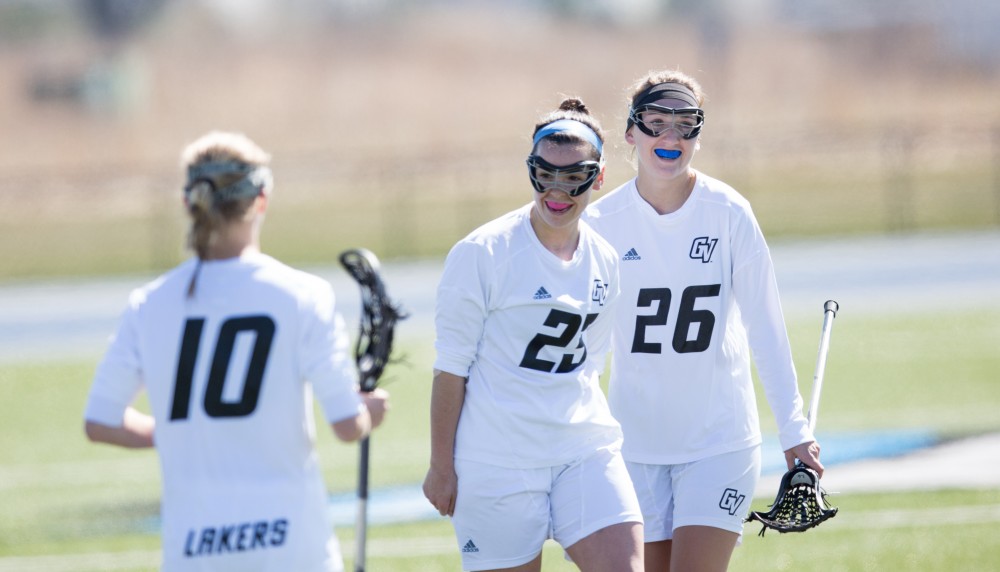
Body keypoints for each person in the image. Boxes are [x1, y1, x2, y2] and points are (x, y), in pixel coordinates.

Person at [83, 131, 389, 572]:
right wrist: (369, 414)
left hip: (192, 551)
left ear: (190, 203)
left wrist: (174, 430)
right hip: (291, 547)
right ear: (261, 199)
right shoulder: (303, 295)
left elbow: (101, 421)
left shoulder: (148, 304)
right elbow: (346, 425)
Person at [584, 70, 824, 571]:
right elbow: (588, 351)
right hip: (634, 447)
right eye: (655, 124)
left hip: (719, 442)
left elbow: (766, 328)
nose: (670, 138)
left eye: (684, 125)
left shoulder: (729, 212)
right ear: (631, 133)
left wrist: (794, 429)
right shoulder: (600, 225)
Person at [422, 99, 644, 572]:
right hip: (498, 462)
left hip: (582, 450)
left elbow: (591, 364)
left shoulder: (605, 259)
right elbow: (450, 369)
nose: (557, 190)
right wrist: (442, 465)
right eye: (544, 174)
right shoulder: (482, 253)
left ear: (599, 177)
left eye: (573, 176)